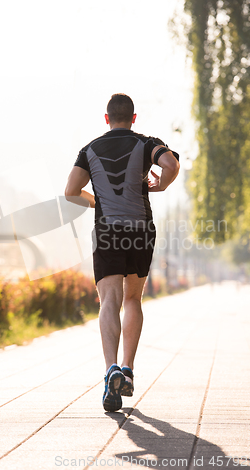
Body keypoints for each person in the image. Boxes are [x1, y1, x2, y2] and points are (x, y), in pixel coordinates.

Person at [65, 94, 180, 412]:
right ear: (133, 118)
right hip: (140, 232)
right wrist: (163, 185)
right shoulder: (147, 143)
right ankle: (127, 370)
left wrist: (96, 200)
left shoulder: (88, 150)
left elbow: (70, 192)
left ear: (106, 118)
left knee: (109, 301)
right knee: (132, 300)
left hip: (107, 232)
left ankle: (110, 369)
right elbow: (170, 164)